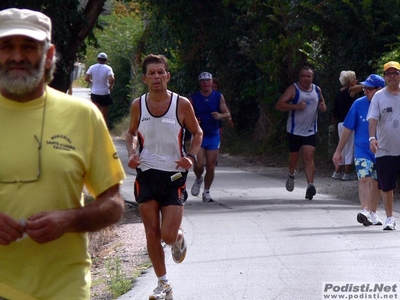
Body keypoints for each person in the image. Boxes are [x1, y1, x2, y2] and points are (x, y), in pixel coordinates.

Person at [0, 8, 126, 300]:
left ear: (48, 54)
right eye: (6, 47)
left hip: (64, 287)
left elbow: (114, 204)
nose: (17, 56)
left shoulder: (82, 115)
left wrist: (68, 220)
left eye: (29, 47)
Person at [125, 54, 203, 299]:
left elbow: (197, 132)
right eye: (152, 73)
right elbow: (131, 133)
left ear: (167, 76)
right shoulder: (138, 104)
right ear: (145, 78)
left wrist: (190, 157)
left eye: (161, 72)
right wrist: (132, 152)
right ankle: (164, 285)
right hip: (146, 174)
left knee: (167, 235)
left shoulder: (181, 104)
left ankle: (178, 238)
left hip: (173, 177)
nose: (157, 77)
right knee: (151, 233)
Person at [332, 74, 384, 226]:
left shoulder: (388, 103)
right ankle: (365, 210)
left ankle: (373, 213)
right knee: (363, 178)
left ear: (379, 90)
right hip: (362, 149)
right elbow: (348, 128)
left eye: (369, 88)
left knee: (377, 182)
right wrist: (338, 151)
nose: (365, 91)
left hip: (382, 150)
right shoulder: (358, 104)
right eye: (364, 88)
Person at [275, 66, 327, 200]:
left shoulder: (316, 89)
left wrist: (323, 107)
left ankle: (310, 185)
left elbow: (322, 103)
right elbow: (279, 105)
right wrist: (296, 107)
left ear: (312, 77)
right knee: (294, 159)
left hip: (310, 130)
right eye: (303, 76)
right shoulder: (294, 89)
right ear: (300, 77)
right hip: (294, 130)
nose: (306, 79)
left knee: (309, 156)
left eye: (309, 76)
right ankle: (291, 174)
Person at [367, 61, 400, 231]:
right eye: (389, 73)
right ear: (385, 76)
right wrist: (372, 138)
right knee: (386, 185)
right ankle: (390, 218)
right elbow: (373, 119)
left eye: (395, 73)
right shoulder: (379, 96)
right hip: (386, 148)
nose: (392, 76)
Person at [190, 72, 231, 202]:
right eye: (203, 81)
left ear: (212, 82)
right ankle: (198, 178)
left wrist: (220, 116)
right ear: (200, 83)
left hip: (213, 135)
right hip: (199, 135)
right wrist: (194, 120)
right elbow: (185, 116)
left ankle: (206, 192)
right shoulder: (193, 98)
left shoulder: (218, 96)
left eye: (208, 81)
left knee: (211, 166)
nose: (206, 83)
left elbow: (227, 114)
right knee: (199, 165)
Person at [331, 70, 363, 180]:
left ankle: (337, 171)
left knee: (343, 148)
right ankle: (347, 173)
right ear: (349, 81)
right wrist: (369, 84)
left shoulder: (339, 92)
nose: (356, 80)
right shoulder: (350, 90)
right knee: (350, 148)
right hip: (349, 124)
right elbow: (361, 87)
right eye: (354, 78)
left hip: (340, 123)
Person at [84, 52, 115, 127]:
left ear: (97, 59)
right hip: (105, 93)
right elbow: (112, 78)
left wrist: (92, 82)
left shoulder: (92, 67)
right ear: (106, 60)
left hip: (95, 93)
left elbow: (86, 78)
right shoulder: (108, 68)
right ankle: (104, 131)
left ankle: (95, 130)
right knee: (104, 115)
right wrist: (110, 86)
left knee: (96, 113)